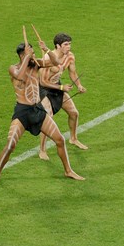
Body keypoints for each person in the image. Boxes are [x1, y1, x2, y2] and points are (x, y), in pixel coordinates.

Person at [0, 28, 84, 184]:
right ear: (22, 55)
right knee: (10, 145)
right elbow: (20, 76)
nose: (33, 55)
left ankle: (68, 171)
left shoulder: (36, 64)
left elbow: (56, 62)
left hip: (36, 109)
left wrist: (47, 50)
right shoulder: (13, 68)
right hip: (22, 112)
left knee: (60, 139)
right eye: (30, 52)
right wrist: (27, 56)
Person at [37, 32, 88, 160]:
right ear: (58, 46)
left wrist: (79, 85)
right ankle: (42, 150)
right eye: (66, 44)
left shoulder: (70, 56)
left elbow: (73, 72)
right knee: (48, 118)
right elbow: (42, 82)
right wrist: (61, 88)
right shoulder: (47, 59)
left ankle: (73, 139)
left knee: (74, 113)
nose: (69, 47)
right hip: (44, 90)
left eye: (69, 44)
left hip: (57, 87)